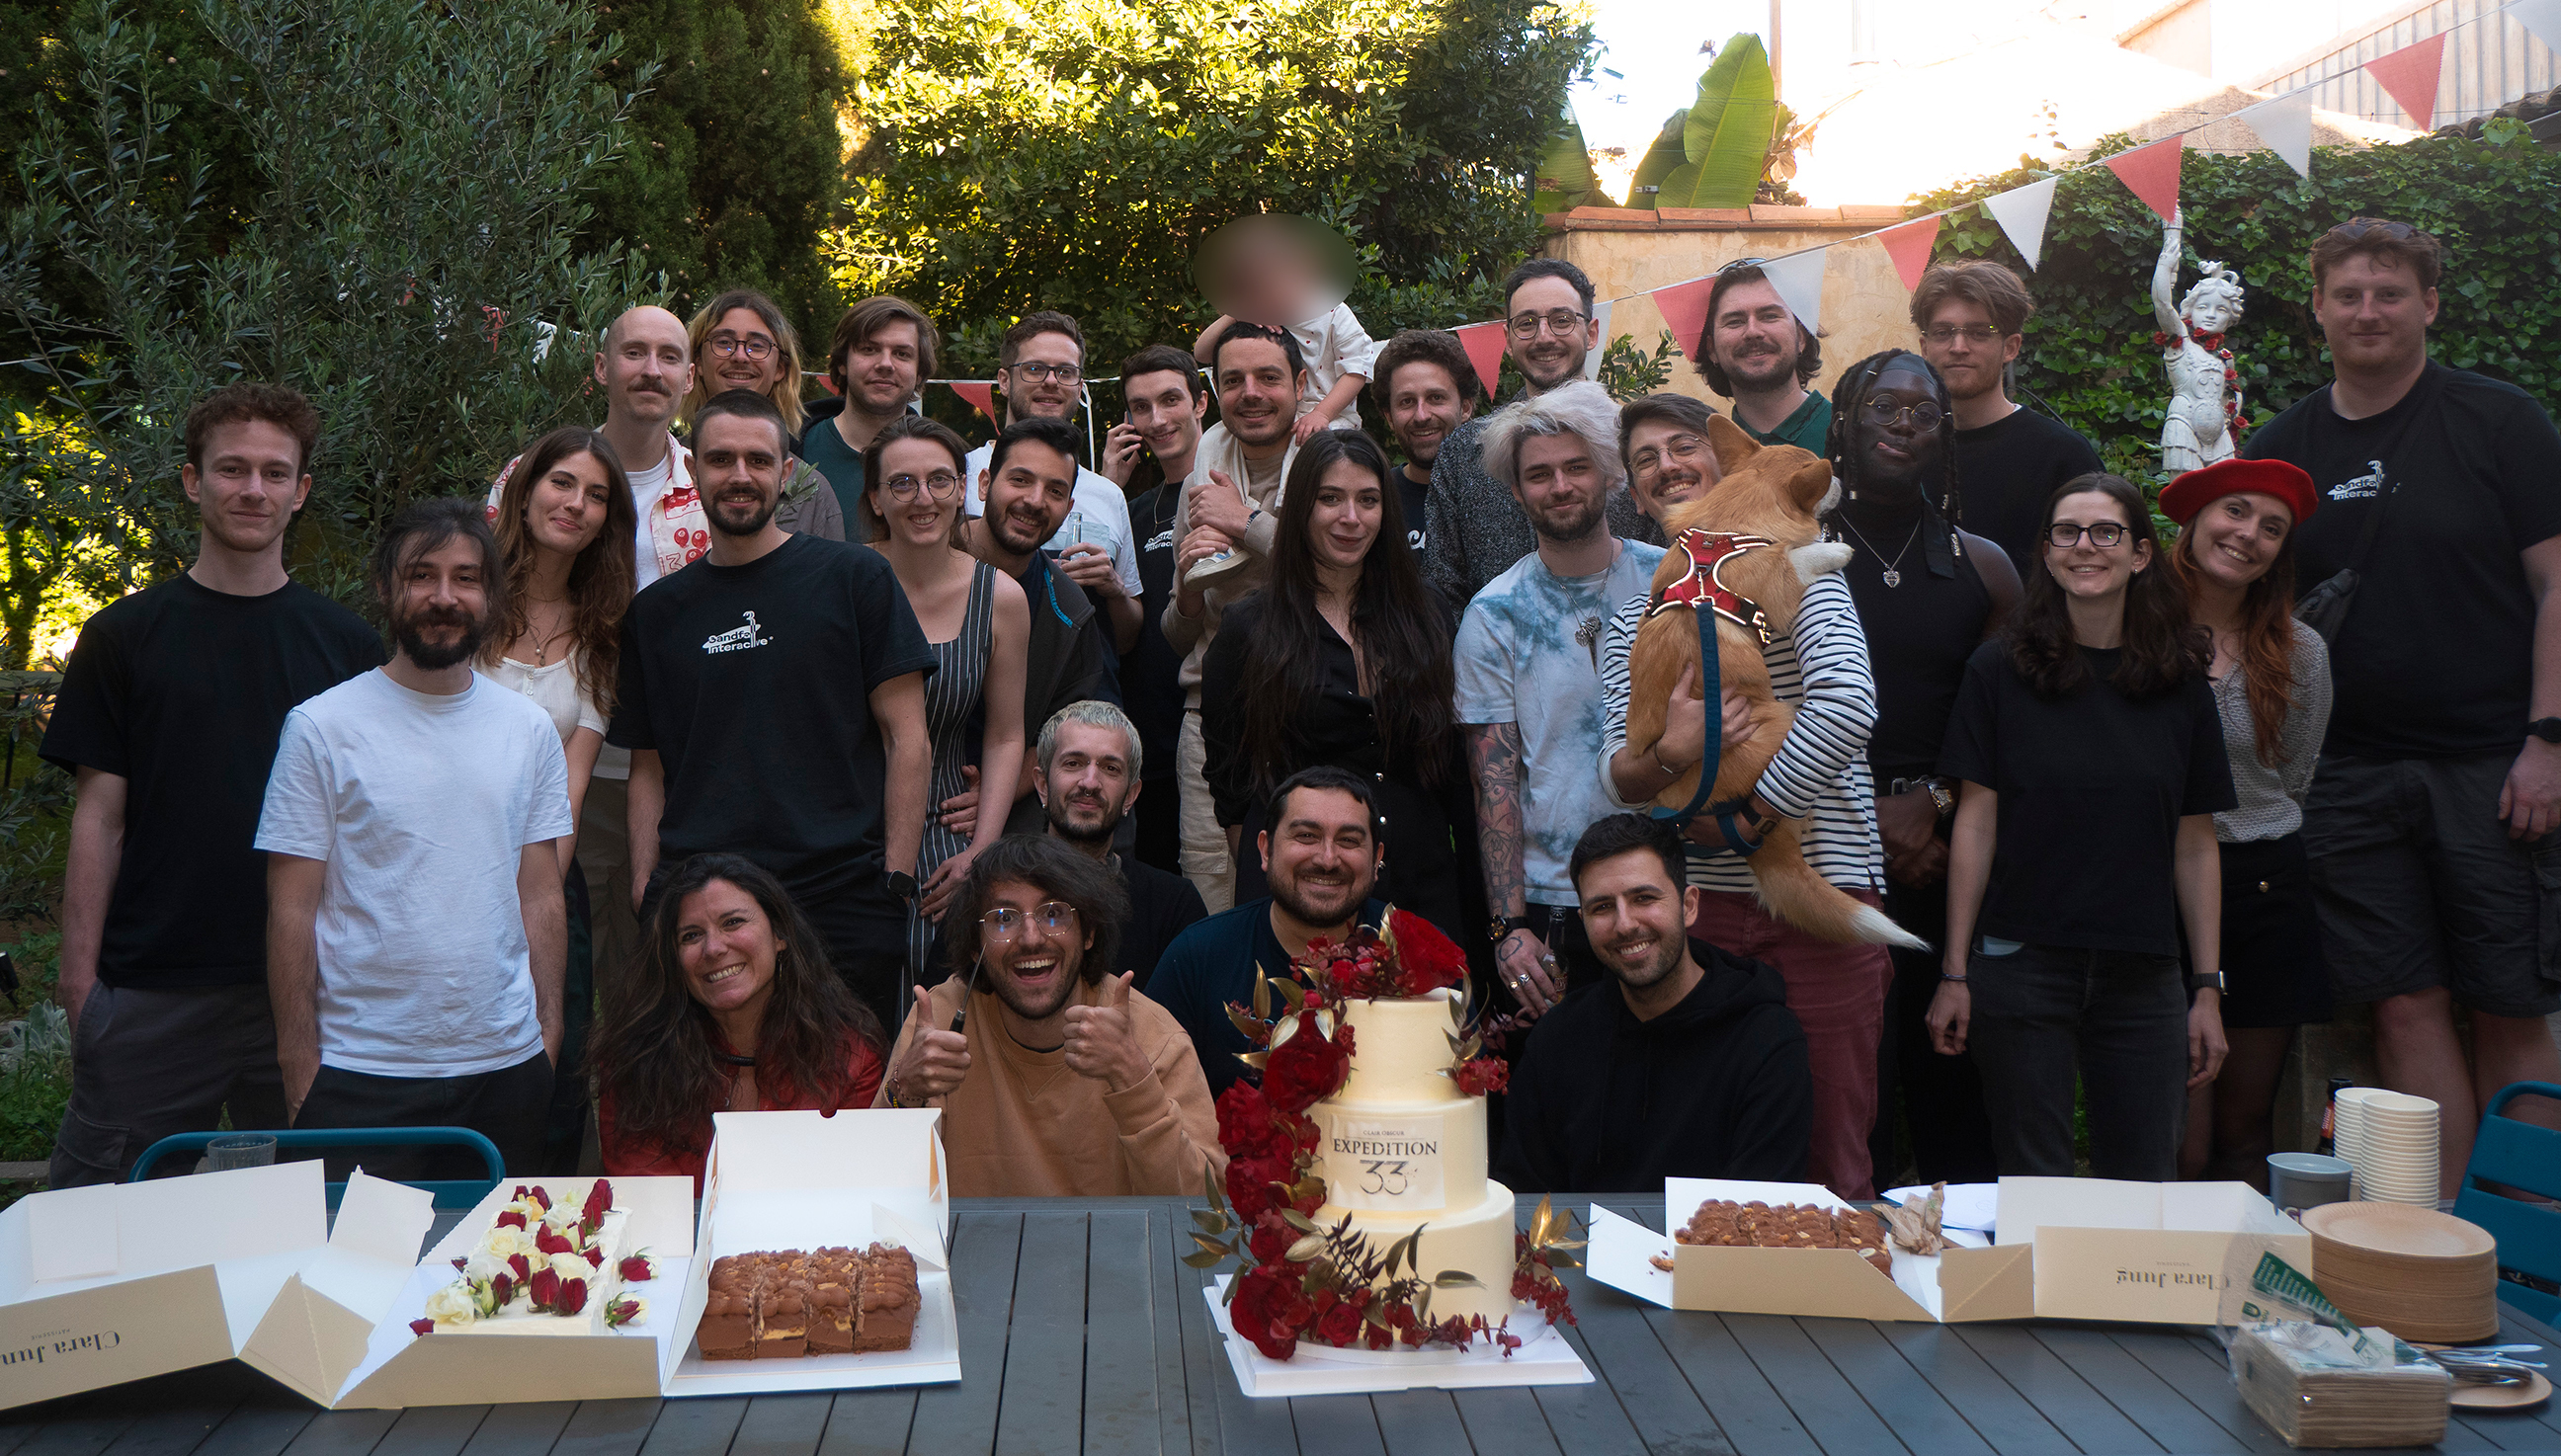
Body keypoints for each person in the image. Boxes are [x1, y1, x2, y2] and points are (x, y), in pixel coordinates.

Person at [2241, 217, 2561, 1192]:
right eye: (2348, 294)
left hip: (2494, 766)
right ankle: (2445, 1236)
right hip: (2345, 777)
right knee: (2401, 1005)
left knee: (2511, 1003)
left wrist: (2548, 740)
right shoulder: (2283, 448)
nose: (2368, 311)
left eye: (2389, 293)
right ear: (2318, 308)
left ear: (2429, 303)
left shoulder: (2500, 421)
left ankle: (2533, 1244)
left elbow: (2557, 583)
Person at [40, 384, 383, 1186]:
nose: (253, 489)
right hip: (151, 989)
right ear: (194, 481)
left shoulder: (348, 648)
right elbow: (100, 819)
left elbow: (367, 828)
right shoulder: (123, 637)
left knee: (319, 1216)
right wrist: (80, 982)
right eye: (233, 469)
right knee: (99, 1219)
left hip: (306, 989)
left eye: (275, 473)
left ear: (300, 491)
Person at [1599, 396, 1894, 1199]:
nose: (1666, 465)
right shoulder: (1633, 616)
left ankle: (1836, 1283)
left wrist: (1752, 819)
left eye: (1682, 446)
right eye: (1645, 459)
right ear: (1635, 492)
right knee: (1707, 1151)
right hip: (1701, 912)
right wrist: (1672, 752)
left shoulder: (1805, 568)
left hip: (1822, 888)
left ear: (1727, 463)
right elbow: (1616, 775)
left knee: (1831, 1154)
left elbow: (1847, 705)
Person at [1928, 474, 2236, 1180]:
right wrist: (1954, 971)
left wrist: (2207, 988)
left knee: (2145, 1186)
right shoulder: (2000, 668)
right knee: (2033, 1183)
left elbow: (2195, 843)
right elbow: (1976, 823)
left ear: (2140, 554)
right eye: (2066, 532)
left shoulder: (2180, 680)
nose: (2084, 546)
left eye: (2106, 532)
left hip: (2144, 974)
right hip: (2021, 964)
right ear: (2046, 551)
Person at [258, 498, 570, 1176]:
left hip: (505, 1071)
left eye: (465, 578)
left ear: (490, 595)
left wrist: (547, 1035)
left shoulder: (529, 730)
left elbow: (542, 894)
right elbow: (291, 908)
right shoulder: (321, 728)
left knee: (496, 1248)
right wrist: (298, 1063)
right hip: (360, 1074)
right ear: (384, 588)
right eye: (421, 575)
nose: (444, 597)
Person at [610, 389, 935, 1019]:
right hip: (702, 899)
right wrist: (647, 886)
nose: (740, 476)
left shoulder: (855, 579)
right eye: (720, 459)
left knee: (849, 1079)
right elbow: (648, 766)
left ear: (786, 473)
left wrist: (894, 880)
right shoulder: (656, 613)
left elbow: (908, 738)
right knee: (709, 1079)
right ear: (693, 470)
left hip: (840, 892)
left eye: (758, 460)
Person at [1816, 352, 2022, 1190]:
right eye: (1882, 407)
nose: (1903, 424)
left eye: (1923, 412)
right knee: (1844, 1095)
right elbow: (1771, 704)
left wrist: (1930, 803)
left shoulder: (1988, 567)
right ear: (1844, 422)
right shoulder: (1793, 557)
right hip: (1825, 852)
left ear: (1945, 435)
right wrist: (1868, 815)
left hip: (1948, 858)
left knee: (1952, 1092)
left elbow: (2005, 725)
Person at [484, 303, 706, 1015]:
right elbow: (487, 592)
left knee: (658, 972)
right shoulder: (529, 475)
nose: (651, 370)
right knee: (561, 959)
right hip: (550, 752)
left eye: (669, 356)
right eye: (634, 352)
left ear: (690, 378)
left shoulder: (709, 486)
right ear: (601, 368)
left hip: (675, 768)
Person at [1200, 430, 1473, 945]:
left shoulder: (1428, 613)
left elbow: (1452, 763)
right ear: (1301, 507)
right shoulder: (1250, 628)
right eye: (1330, 498)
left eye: (1368, 500)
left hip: (1419, 880)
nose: (1351, 517)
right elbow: (1230, 780)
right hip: (1305, 887)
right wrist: (1270, 877)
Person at [1456, 380, 1665, 1016]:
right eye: (1539, 474)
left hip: (1672, 878)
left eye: (1577, 467)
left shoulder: (1670, 579)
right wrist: (1508, 926)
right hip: (1557, 899)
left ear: (1608, 474)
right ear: (1516, 491)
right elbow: (1494, 781)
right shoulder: (1494, 614)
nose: (1560, 486)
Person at [2159, 458, 2334, 1189]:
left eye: (2272, 527)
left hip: (2262, 890)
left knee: (2242, 1133)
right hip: (2153, 888)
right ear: (2195, 519)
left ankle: (2242, 1263)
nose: (2248, 534)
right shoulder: (2134, 628)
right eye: (2235, 511)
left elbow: (2292, 776)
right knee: (2178, 1140)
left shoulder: (2299, 651)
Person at [874, 835, 1222, 1197]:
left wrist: (1135, 1079)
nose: (1031, 938)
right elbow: (874, 1196)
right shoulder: (940, 1019)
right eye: (1004, 918)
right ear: (976, 944)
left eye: (1053, 914)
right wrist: (903, 1090)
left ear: (1089, 932)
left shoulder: (1152, 1035)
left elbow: (1206, 1211)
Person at [1495, 814, 1813, 1192]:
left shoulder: (1767, 1041)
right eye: (1602, 907)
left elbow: (1764, 1208)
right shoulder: (1557, 1040)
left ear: (1689, 906)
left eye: (1643, 898)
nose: (1625, 924)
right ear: (1584, 920)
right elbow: (1523, 1196)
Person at [480, 427, 640, 1172]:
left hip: (544, 869)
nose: (576, 504)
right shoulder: (467, 598)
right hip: (437, 862)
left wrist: (533, 896)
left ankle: (538, 1214)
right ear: (524, 491)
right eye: (562, 483)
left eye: (597, 495)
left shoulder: (605, 633)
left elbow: (571, 787)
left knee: (556, 1049)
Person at [593, 853, 886, 1191]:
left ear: (779, 935)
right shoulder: (635, 1064)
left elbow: (851, 1187)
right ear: (672, 960)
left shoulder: (849, 1056)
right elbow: (650, 1197)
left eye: (732, 922)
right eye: (691, 935)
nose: (713, 948)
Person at [861, 415, 1030, 980]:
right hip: (847, 821)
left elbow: (1005, 735)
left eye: (939, 480)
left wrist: (980, 852)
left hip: (947, 830)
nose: (923, 498)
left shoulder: (1000, 597)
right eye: (902, 483)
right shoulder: (843, 581)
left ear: (962, 490)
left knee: (937, 980)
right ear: (876, 498)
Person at [1161, 321, 1308, 912]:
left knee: (1309, 888)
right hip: (1210, 716)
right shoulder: (1199, 480)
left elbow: (1337, 569)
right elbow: (1179, 637)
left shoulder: (1330, 465)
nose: (1251, 393)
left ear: (1300, 385)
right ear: (1216, 393)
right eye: (1233, 380)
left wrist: (1244, 522)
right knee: (1213, 894)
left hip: (1310, 704)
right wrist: (1186, 588)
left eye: (1268, 377)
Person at [1424, 259, 1654, 614]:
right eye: (1527, 324)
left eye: (1562, 320)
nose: (1544, 337)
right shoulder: (1464, 451)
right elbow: (1443, 589)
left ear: (1591, 332)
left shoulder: (1636, 441)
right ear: (1508, 339)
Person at [1148, 768, 1389, 1095]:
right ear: (1265, 849)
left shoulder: (1418, 956)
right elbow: (1146, 1095)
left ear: (1376, 860)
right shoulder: (1198, 958)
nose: (1327, 859)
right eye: (1306, 836)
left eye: (1348, 840)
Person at [963, 416, 1117, 836]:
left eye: (1054, 491)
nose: (1034, 501)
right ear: (984, 484)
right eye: (1020, 480)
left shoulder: (1069, 609)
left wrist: (995, 796)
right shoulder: (925, 559)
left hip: (1009, 814)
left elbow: (1067, 727)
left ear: (1068, 508)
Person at [960, 311, 1142, 653]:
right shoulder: (961, 475)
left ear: (1080, 386)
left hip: (1081, 680)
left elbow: (1126, 641)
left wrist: (1114, 589)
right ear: (1004, 380)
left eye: (1065, 372)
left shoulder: (1108, 494)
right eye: (1034, 369)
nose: (1051, 381)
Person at [1910, 261, 2103, 574]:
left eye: (1979, 332)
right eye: (1943, 333)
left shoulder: (2062, 456)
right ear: (1924, 347)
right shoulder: (1906, 451)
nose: (1958, 347)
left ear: (2011, 347)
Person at [1107, 346, 1209, 871]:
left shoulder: (1228, 494)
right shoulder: (1131, 510)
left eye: (1170, 400)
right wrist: (1106, 489)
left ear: (1201, 403)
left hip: (1212, 729)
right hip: (1146, 742)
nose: (1157, 419)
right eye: (1141, 407)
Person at [1031, 701, 1205, 989]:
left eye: (1110, 768)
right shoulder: (997, 889)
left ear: (1131, 795)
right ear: (1042, 785)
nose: (1090, 783)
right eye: (1073, 763)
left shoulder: (1172, 904)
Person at [681, 288, 843, 540]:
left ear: (780, 368)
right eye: (723, 342)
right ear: (698, 362)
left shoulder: (812, 493)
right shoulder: (662, 471)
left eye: (757, 346)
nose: (740, 357)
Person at [801, 295, 936, 531]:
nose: (885, 364)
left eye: (902, 354)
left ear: (920, 373)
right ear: (842, 363)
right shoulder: (792, 448)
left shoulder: (944, 465)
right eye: (869, 349)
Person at [1697, 259, 1830, 451]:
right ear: (1712, 350)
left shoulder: (1853, 434)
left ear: (1801, 338)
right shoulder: (1707, 456)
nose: (1753, 332)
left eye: (1770, 316)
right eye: (1735, 321)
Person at [1372, 328, 1482, 557]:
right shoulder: (1374, 500)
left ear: (1465, 408)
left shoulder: (1504, 492)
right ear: (1389, 417)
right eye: (1407, 401)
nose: (1421, 415)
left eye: (1436, 398)